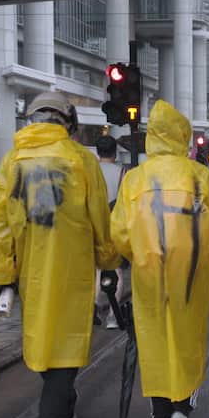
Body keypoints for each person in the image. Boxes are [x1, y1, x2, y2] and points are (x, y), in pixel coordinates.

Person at [109, 101, 209, 418]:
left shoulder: (134, 179)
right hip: (190, 277)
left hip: (149, 276)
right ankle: (182, 412)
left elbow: (119, 233)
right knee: (187, 344)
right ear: (183, 136)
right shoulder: (200, 177)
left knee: (155, 348)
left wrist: (140, 253)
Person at [0, 91, 116, 418]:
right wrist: (108, 261)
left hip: (31, 269)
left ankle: (63, 404)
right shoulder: (81, 159)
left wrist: (4, 273)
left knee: (44, 340)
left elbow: (1, 223)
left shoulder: (12, 161)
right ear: (69, 123)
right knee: (66, 345)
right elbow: (99, 216)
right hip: (72, 267)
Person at [95, 135, 130, 330]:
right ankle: (112, 317)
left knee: (96, 270)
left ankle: (94, 309)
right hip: (115, 226)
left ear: (97, 151)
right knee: (117, 270)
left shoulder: (90, 170)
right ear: (115, 153)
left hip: (95, 225)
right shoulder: (122, 173)